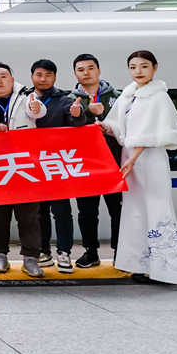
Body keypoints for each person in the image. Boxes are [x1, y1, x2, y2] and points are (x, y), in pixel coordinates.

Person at [99, 50, 177, 285]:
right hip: (130, 159)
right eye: (133, 67)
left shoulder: (159, 96)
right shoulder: (128, 95)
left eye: (143, 66)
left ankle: (165, 269)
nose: (138, 71)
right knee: (135, 210)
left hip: (149, 159)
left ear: (155, 67)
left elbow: (153, 133)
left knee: (156, 208)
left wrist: (132, 159)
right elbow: (118, 126)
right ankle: (139, 265)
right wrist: (104, 127)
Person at [0, 63, 46, 278]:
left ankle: (31, 258)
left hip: (25, 165)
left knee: (29, 215)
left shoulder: (26, 96)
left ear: (12, 80)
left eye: (3, 76)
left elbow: (37, 111)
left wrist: (37, 108)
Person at [30, 58, 87, 274]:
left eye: (48, 75)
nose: (43, 79)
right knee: (38, 212)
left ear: (54, 77)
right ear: (32, 77)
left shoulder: (64, 100)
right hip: (31, 166)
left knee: (61, 211)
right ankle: (43, 251)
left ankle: (64, 252)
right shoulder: (24, 99)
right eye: (39, 74)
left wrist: (78, 115)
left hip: (56, 165)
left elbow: (76, 123)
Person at [70, 53, 123, 269]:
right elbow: (66, 130)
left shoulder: (119, 97)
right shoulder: (69, 100)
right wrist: (85, 113)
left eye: (90, 68)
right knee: (87, 213)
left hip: (115, 165)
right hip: (85, 166)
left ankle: (121, 252)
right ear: (75, 74)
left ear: (99, 71)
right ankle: (90, 252)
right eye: (81, 69)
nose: (86, 73)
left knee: (119, 211)